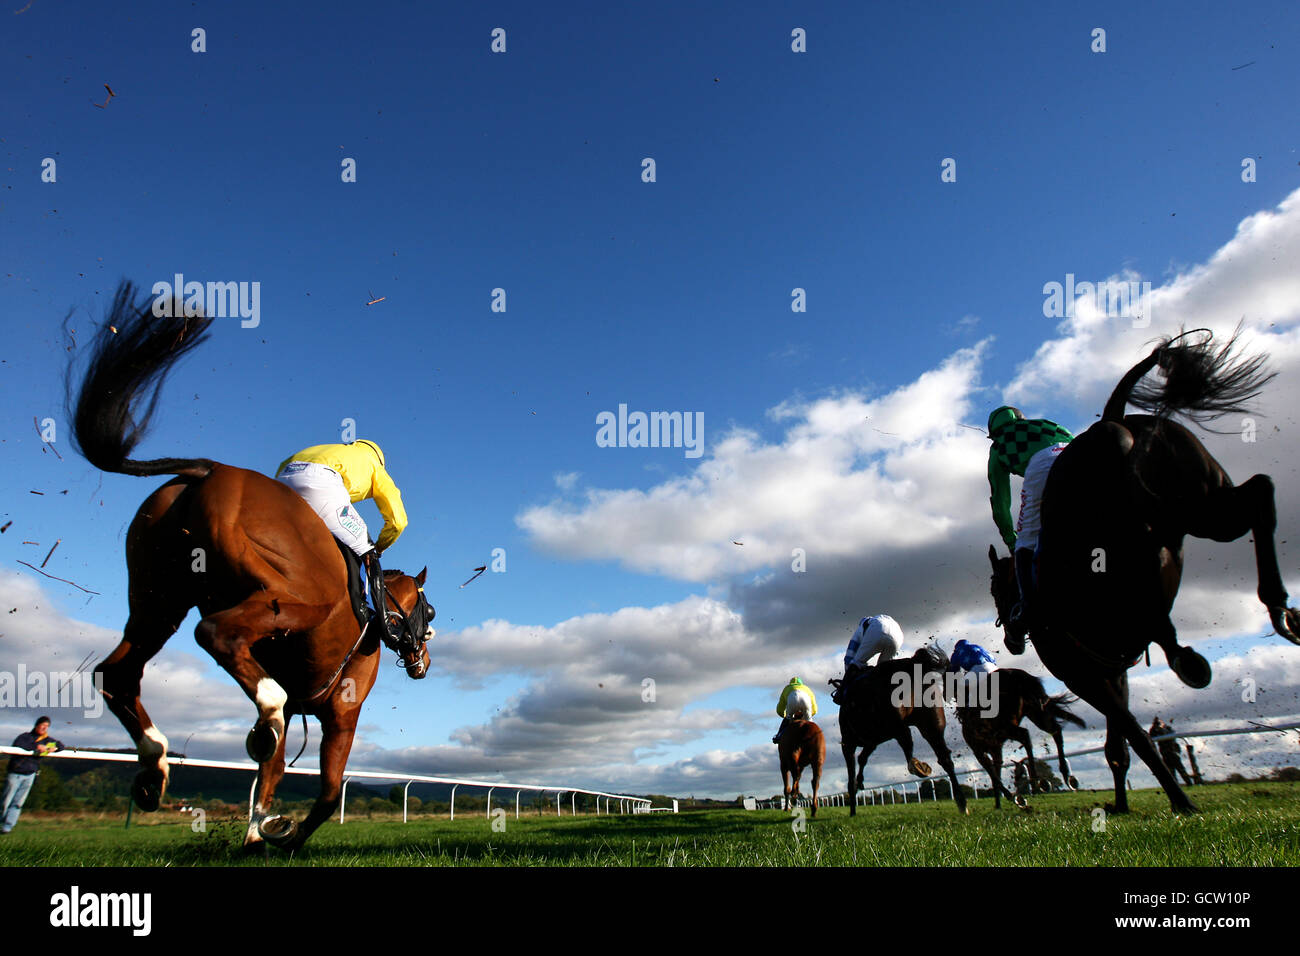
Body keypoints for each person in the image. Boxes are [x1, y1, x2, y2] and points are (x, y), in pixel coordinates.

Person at [276, 439, 409, 650]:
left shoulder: (329, 449)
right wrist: (380, 547)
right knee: (367, 550)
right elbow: (398, 521)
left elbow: (284, 467)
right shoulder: (375, 466)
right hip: (322, 483)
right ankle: (380, 622)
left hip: (282, 482)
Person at [987, 406, 1074, 652]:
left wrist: (1012, 541)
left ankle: (1028, 610)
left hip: (1044, 465)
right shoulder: (1048, 424)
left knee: (1026, 544)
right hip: (1080, 457)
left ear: (994, 432)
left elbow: (1000, 502)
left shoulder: (999, 446)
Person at [2, 717, 62, 834]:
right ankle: (2, 821)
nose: (44, 728)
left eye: (47, 726)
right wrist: (37, 747)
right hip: (15, 773)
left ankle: (7, 828)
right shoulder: (25, 737)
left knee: (18, 803)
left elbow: (60, 745)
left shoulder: (47, 740)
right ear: (36, 725)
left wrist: (54, 748)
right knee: (6, 800)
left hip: (30, 775)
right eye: (42, 725)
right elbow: (19, 744)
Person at [831, 614, 905, 704]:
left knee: (856, 663)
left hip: (878, 629)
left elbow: (849, 655)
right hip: (898, 637)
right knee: (885, 670)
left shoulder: (861, 628)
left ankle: (842, 695)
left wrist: (848, 676)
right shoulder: (885, 621)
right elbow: (893, 659)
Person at [947, 638, 998, 702]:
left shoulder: (957, 652)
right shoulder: (978, 646)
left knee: (961, 686)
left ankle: (968, 704)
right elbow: (993, 659)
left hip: (978, 669)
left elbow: (953, 670)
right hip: (993, 667)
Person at [1150, 716, 1195, 787]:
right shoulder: (1156, 730)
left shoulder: (1168, 729)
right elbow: (1151, 735)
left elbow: (1167, 734)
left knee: (1181, 769)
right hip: (1165, 753)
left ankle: (1189, 783)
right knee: (1171, 771)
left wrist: (1160, 727)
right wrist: (1154, 727)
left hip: (1172, 751)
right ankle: (1176, 786)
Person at [772, 677, 817, 744]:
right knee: (810, 724)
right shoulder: (807, 689)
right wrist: (806, 716)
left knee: (787, 719)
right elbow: (814, 709)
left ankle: (778, 736)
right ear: (801, 684)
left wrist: (785, 716)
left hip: (792, 700)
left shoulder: (787, 688)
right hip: (806, 701)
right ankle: (816, 738)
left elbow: (780, 709)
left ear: (791, 683)